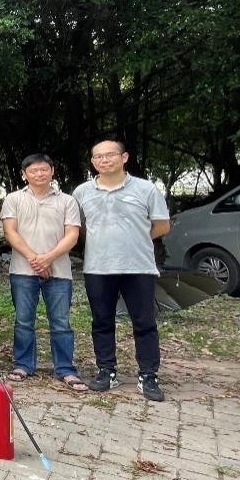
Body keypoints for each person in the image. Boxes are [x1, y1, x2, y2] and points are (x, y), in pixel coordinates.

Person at [73, 140, 171, 402]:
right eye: (98, 157)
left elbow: (162, 226)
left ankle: (148, 375)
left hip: (138, 267)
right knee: (101, 321)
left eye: (110, 155)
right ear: (92, 162)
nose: (104, 160)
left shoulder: (146, 189)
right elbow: (77, 226)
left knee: (144, 322)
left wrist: (136, 238)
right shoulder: (82, 192)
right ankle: (106, 370)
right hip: (98, 267)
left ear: (124, 157)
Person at [1, 154, 84, 390]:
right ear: (24, 174)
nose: (39, 174)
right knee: (23, 321)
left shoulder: (67, 201)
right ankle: (23, 364)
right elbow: (10, 232)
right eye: (33, 170)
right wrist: (34, 259)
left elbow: (72, 235)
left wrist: (48, 258)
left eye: (44, 169)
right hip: (22, 270)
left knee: (61, 322)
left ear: (52, 171)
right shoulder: (13, 199)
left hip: (59, 271)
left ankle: (65, 369)